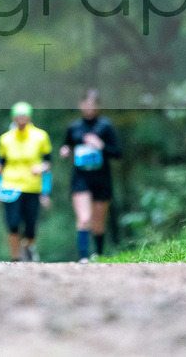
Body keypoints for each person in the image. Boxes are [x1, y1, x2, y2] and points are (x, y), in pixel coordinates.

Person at [60, 89, 121, 262]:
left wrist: (101, 145)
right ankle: (84, 257)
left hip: (101, 178)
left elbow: (117, 153)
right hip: (81, 177)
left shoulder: (105, 126)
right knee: (84, 218)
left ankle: (100, 255)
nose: (89, 109)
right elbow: (66, 146)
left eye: (93, 105)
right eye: (86, 105)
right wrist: (65, 150)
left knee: (98, 223)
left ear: (98, 106)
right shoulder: (73, 127)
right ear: (81, 105)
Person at [0, 102, 51, 262]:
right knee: (13, 223)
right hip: (10, 187)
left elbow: (48, 164)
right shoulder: (5, 139)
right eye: (19, 117)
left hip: (32, 186)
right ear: (14, 118)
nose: (21, 120)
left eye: (24, 116)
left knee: (31, 225)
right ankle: (15, 258)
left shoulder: (41, 136)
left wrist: (46, 190)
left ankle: (29, 248)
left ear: (29, 117)